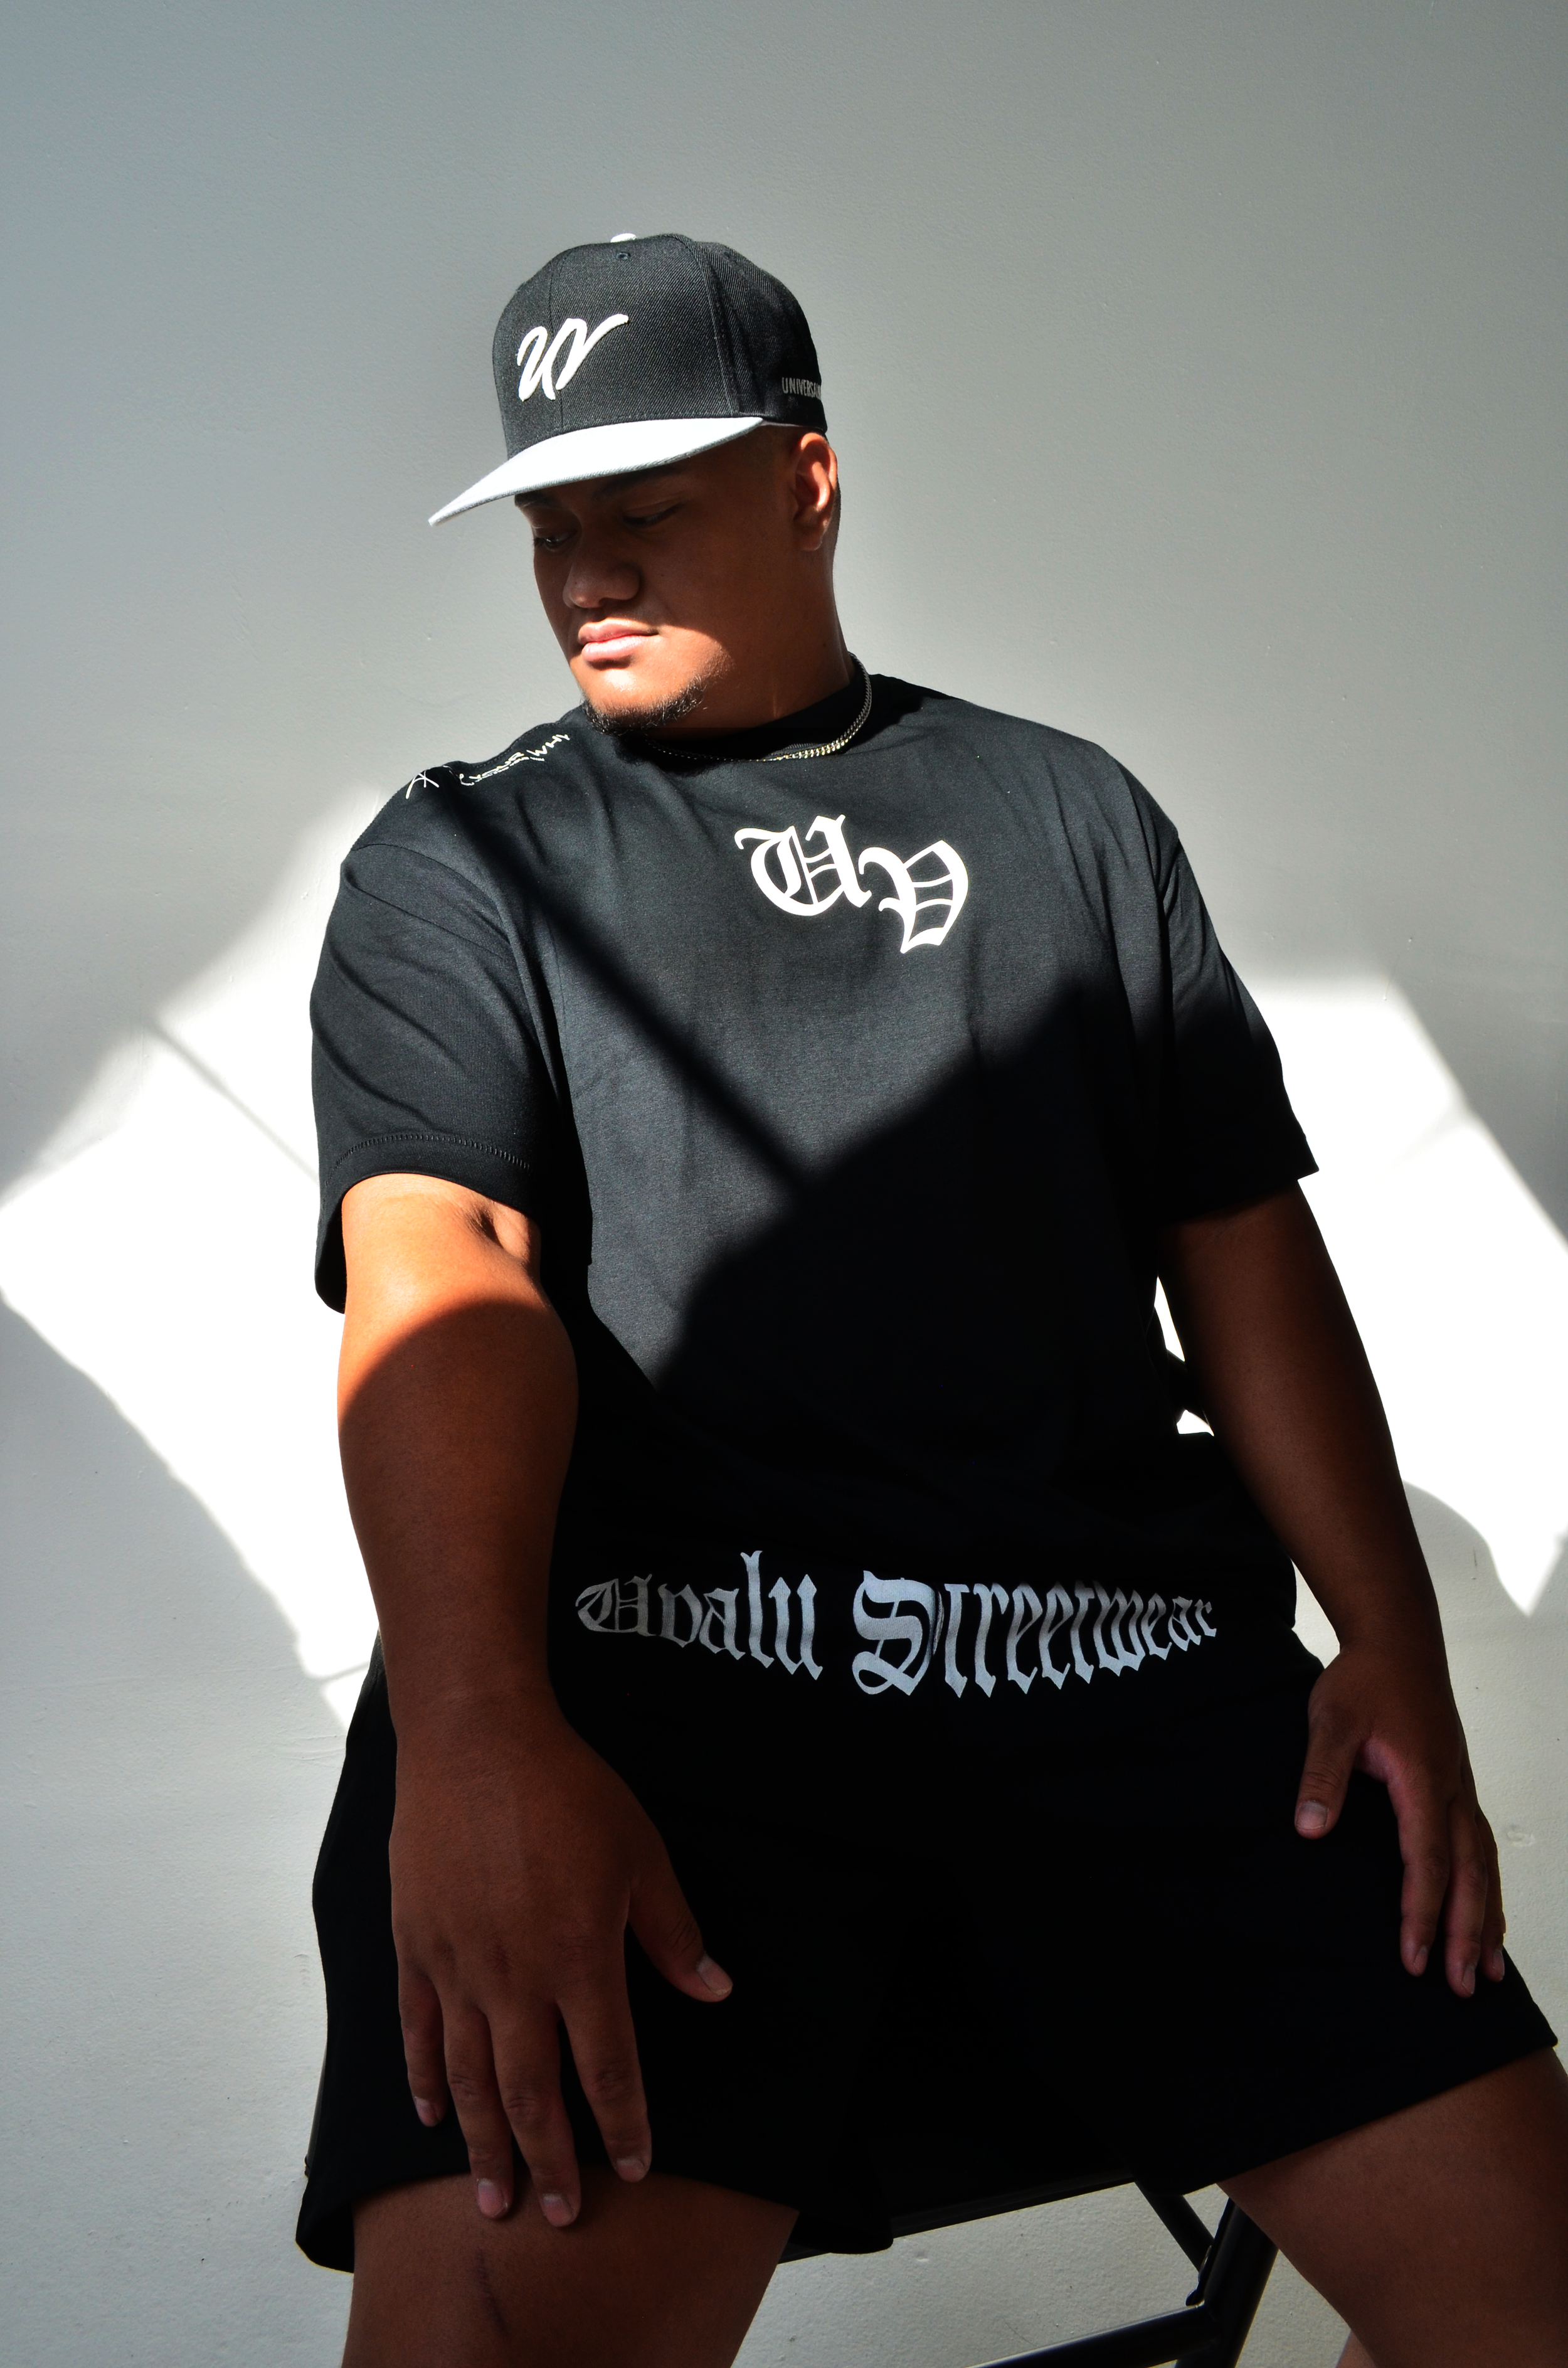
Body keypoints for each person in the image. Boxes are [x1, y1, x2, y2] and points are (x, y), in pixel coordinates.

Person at [298, 234, 1567, 2368]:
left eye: (645, 508)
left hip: (1122, 1681)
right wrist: (478, 1727)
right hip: (674, 1694)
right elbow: (448, 1276)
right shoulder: (462, 870)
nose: (587, 568)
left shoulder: (1070, 815)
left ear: (804, 478)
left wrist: (1395, 1643)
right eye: (551, 524)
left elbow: (1242, 1249)